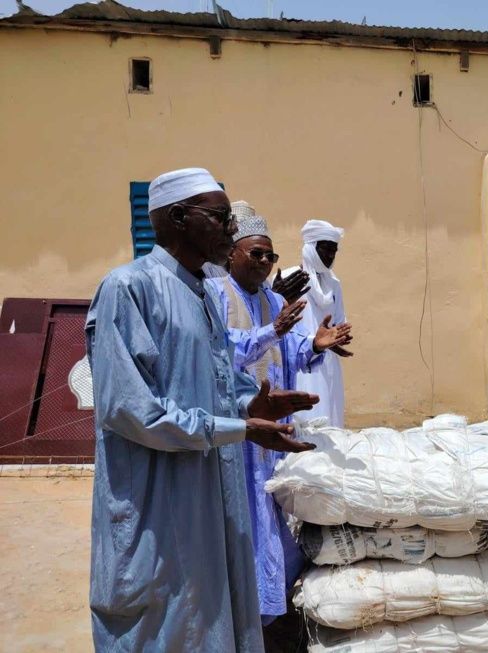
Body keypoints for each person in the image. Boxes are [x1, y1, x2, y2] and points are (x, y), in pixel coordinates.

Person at [86, 168, 319, 653]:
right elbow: (129, 408)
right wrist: (234, 425)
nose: (230, 230)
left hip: (212, 491)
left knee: (215, 611)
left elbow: (220, 383)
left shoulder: (202, 296)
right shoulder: (129, 289)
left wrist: (251, 406)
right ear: (177, 218)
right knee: (163, 622)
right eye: (219, 218)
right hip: (157, 498)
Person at [206, 205, 352, 635]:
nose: (266, 263)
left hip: (277, 438)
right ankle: (241, 614)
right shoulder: (216, 297)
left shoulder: (273, 300)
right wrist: (273, 331)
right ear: (232, 254)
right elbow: (220, 354)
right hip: (239, 434)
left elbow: (290, 352)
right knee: (243, 525)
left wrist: (316, 345)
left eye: (271, 256)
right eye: (257, 255)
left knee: (277, 520)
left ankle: (274, 611)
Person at [294, 219, 353, 427]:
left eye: (334, 251)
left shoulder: (334, 284)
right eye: (325, 249)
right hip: (298, 364)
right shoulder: (288, 279)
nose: (330, 256)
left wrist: (338, 338)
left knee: (330, 422)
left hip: (327, 364)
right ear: (310, 248)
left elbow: (338, 321)